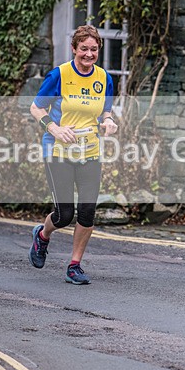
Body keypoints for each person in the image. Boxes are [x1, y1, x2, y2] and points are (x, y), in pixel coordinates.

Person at [28, 24, 118, 285]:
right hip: (58, 151)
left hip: (90, 151)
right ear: (74, 49)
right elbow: (36, 108)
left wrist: (109, 122)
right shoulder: (59, 75)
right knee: (64, 215)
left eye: (93, 49)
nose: (89, 54)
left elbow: (105, 111)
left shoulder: (104, 78)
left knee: (88, 212)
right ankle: (43, 235)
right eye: (84, 49)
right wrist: (53, 128)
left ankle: (74, 265)